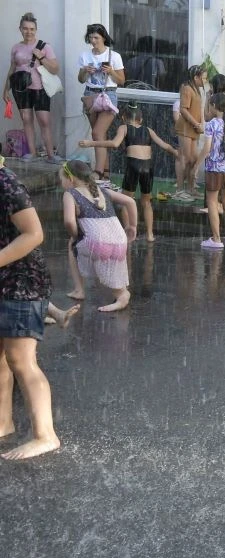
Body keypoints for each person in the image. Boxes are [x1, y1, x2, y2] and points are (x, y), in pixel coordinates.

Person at [0, 163, 61, 459]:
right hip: (4, 280)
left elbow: (34, 233)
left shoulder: (6, 183)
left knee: (21, 359)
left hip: (22, 281)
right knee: (1, 357)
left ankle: (45, 435)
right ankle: (3, 423)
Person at [79, 103, 179, 242]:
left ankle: (129, 233)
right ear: (141, 120)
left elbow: (114, 144)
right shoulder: (149, 130)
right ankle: (150, 235)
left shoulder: (124, 128)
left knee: (126, 201)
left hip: (133, 165)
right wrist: (175, 152)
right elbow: (164, 145)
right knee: (146, 202)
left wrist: (91, 143)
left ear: (124, 117)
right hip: (148, 167)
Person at [60, 160, 136, 312]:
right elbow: (130, 201)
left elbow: (68, 221)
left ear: (71, 178)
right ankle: (120, 291)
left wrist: (75, 235)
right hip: (120, 241)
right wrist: (132, 226)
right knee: (112, 269)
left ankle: (81, 290)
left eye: (61, 179)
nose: (61, 182)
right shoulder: (102, 190)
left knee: (72, 244)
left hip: (98, 243)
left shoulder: (70, 194)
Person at [3, 13, 60, 163]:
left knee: (44, 120)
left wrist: (41, 57)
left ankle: (50, 155)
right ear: (20, 29)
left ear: (36, 29)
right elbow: (12, 69)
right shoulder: (16, 47)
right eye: (25, 28)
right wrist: (5, 90)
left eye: (32, 29)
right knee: (26, 119)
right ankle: (33, 153)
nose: (29, 32)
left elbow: (55, 69)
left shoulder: (44, 46)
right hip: (20, 89)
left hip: (40, 88)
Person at [77, 23, 124, 179]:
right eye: (91, 37)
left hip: (108, 95)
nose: (93, 41)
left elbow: (122, 80)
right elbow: (81, 79)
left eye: (96, 37)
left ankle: (98, 172)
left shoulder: (114, 56)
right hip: (91, 94)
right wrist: (85, 71)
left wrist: (111, 72)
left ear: (103, 37)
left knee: (98, 132)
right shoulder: (85, 55)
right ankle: (106, 174)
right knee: (99, 136)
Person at [198, 93, 225, 249]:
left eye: (209, 105)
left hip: (214, 169)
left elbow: (207, 148)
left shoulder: (211, 124)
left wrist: (196, 166)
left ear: (214, 106)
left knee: (212, 201)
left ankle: (216, 239)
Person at [172, 65, 206, 201]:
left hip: (193, 128)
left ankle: (190, 189)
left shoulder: (196, 90)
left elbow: (199, 109)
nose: (205, 80)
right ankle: (179, 190)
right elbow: (184, 110)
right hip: (185, 127)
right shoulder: (186, 88)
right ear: (195, 77)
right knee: (184, 158)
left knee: (193, 159)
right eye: (203, 78)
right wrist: (196, 124)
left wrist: (200, 123)